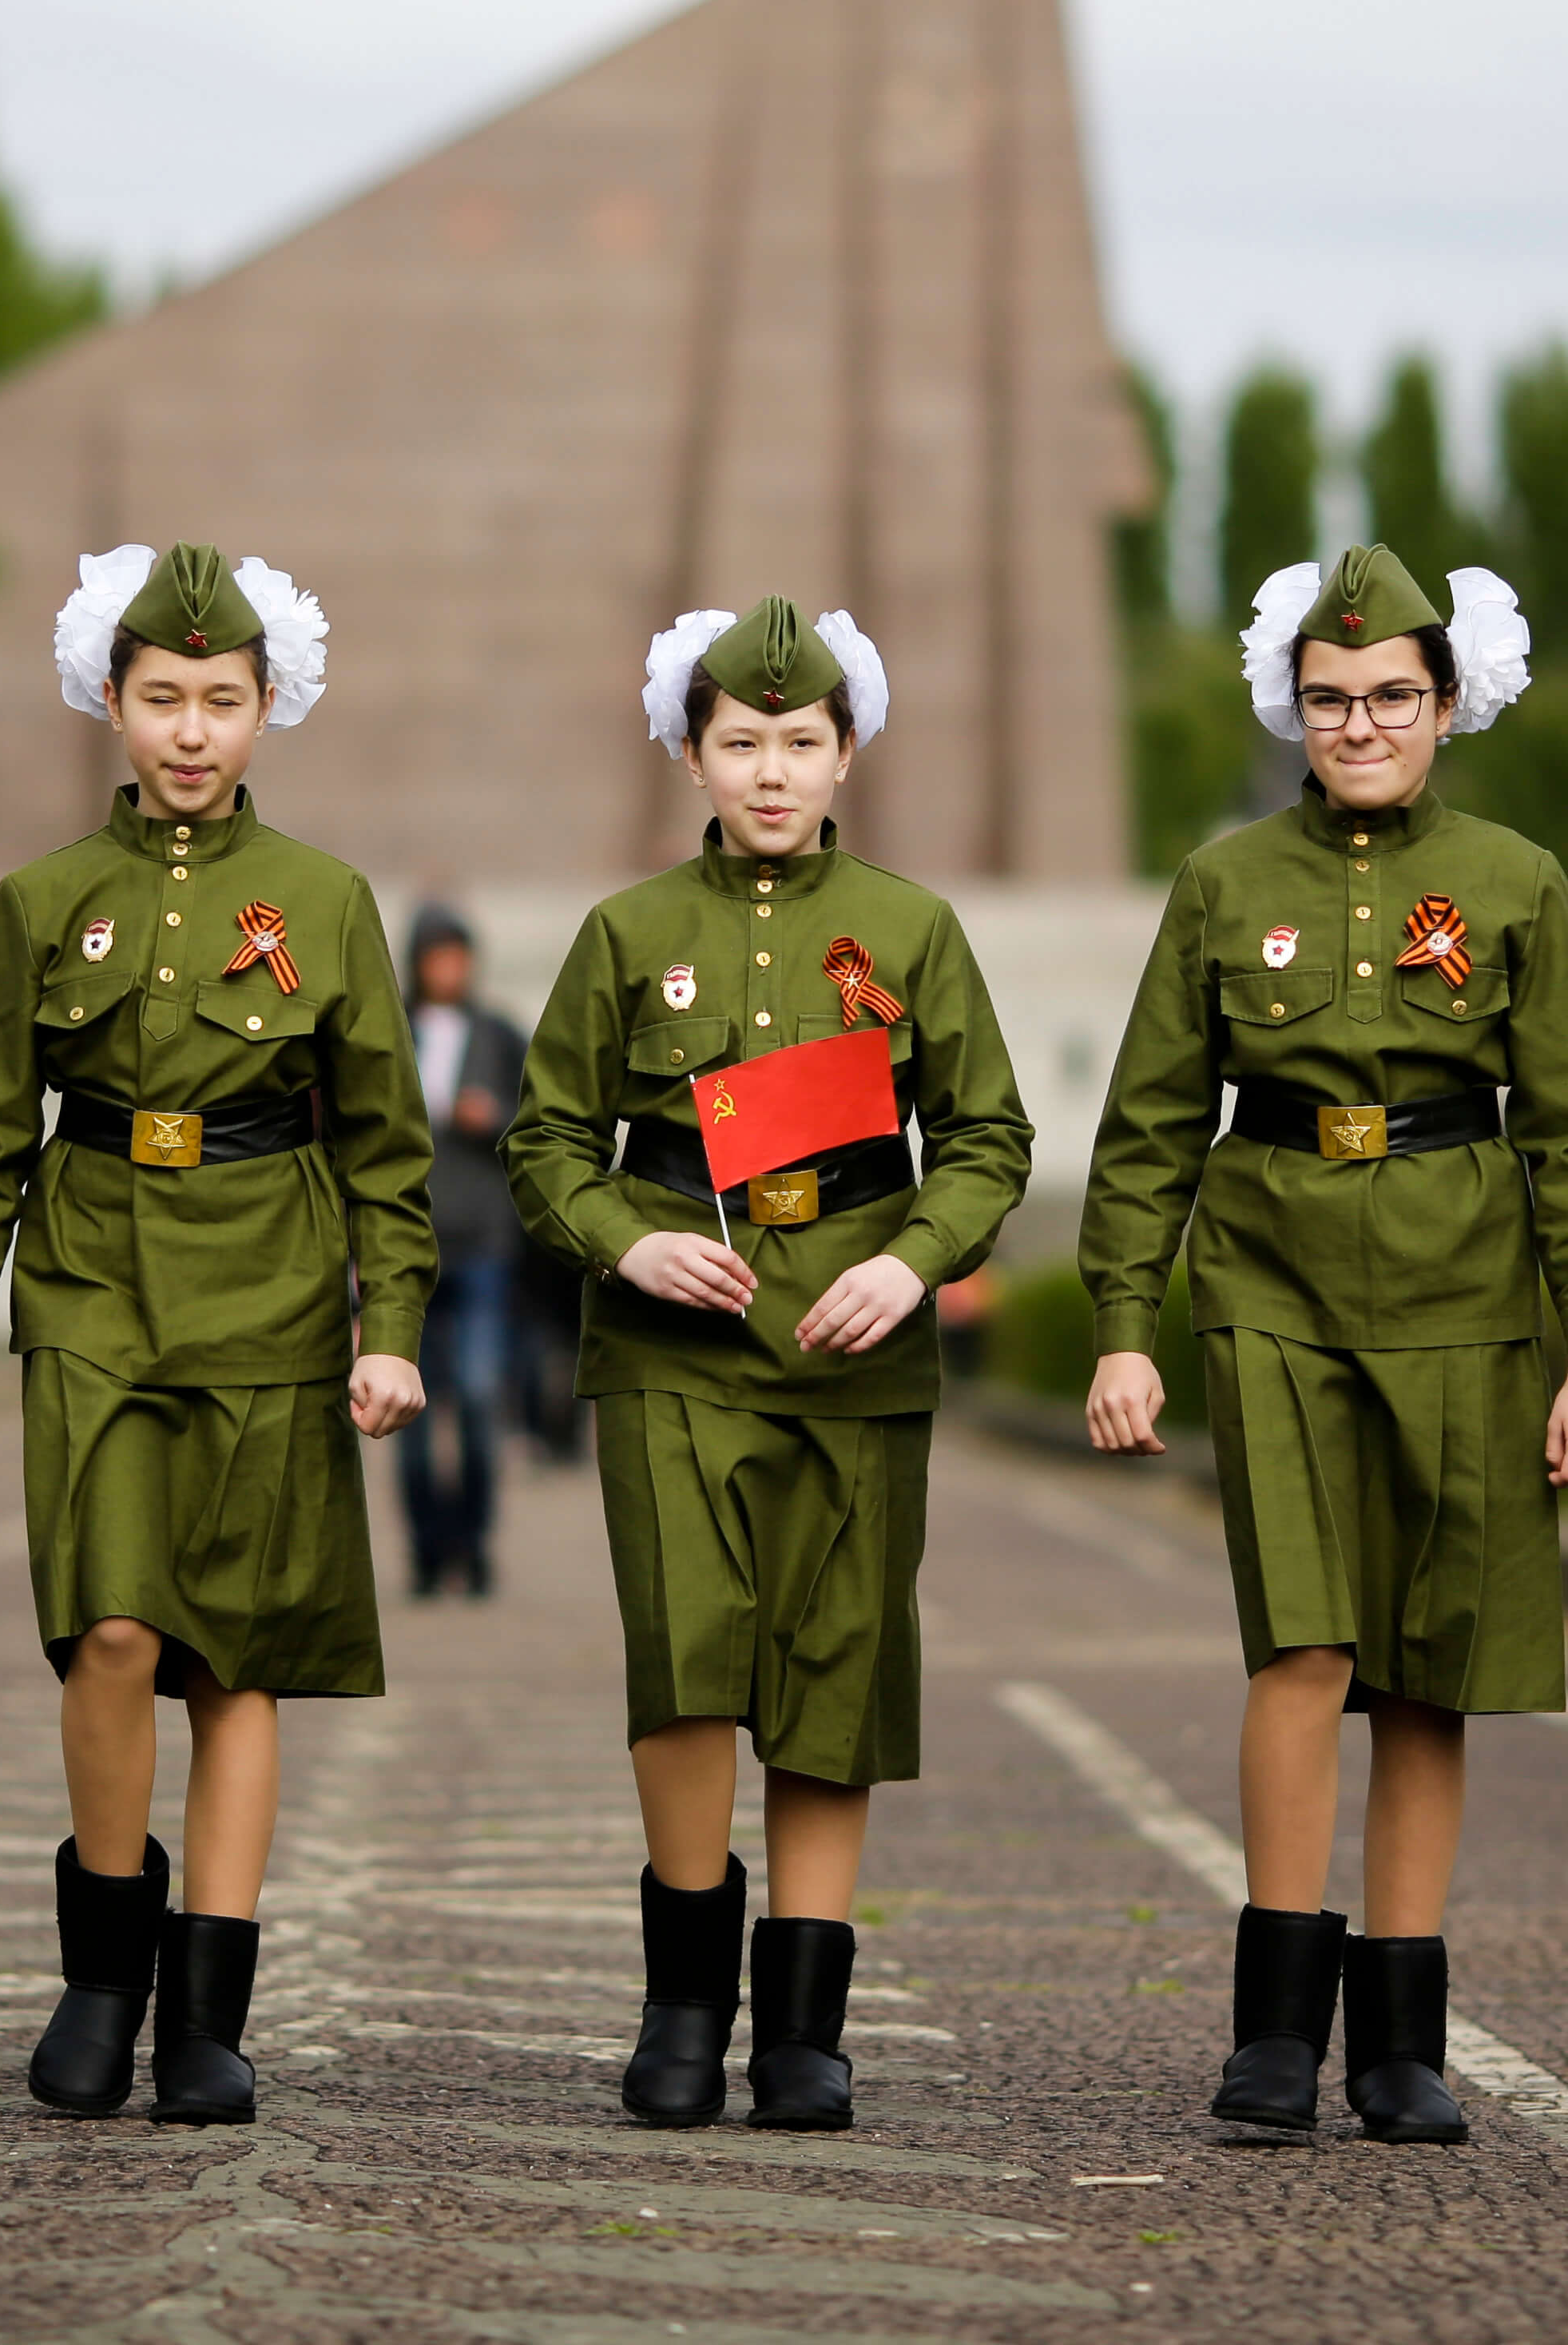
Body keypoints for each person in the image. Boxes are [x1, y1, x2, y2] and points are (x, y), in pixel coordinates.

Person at [1077, 545, 1568, 2145]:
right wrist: (1127, 1328)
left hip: (1469, 1295)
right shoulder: (1223, 883)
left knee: (1426, 1669)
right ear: (1292, 710)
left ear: (1449, 707)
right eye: (1330, 701)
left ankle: (1402, 2039)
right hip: (1274, 1285)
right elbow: (1146, 1134)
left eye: (1393, 697)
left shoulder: (1520, 881)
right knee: (1302, 1647)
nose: (1362, 725)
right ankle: (1273, 2030)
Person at [0, 543, 433, 2130]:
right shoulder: (44, 904)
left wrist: (386, 1323)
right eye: (160, 700)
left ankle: (209, 2010)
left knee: (232, 1656)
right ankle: (101, 1976)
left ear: (268, 708)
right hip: (91, 1288)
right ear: (110, 708)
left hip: (270, 1295)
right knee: (113, 1627)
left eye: (220, 700)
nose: (190, 731)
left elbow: (388, 1155)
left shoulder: (329, 907)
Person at [506, 598, 1034, 2135]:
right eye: (741, 742)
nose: (772, 772)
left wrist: (911, 1260)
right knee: (685, 1663)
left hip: (854, 1347)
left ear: (848, 749)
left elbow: (988, 1139)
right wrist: (625, 1241)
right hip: (675, 1346)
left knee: (832, 1675)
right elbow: (546, 1140)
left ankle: (805, 2027)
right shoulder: (629, 935)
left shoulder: (915, 930)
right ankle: (685, 2008)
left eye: (801, 743)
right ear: (691, 754)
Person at [399, 900, 528, 1599]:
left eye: (458, 956)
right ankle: (427, 1548)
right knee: (407, 1409)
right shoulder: (389, 1032)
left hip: (483, 1243)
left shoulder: (499, 1033)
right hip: (408, 1249)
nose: (449, 970)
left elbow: (544, 1123)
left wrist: (496, 1119)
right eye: (436, 956)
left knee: (479, 1399)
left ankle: (474, 1544)